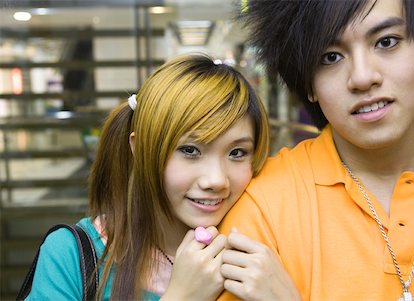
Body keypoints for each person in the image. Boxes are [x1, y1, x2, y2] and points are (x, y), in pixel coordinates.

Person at [218, 0, 414, 300]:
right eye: (331, 57)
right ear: (310, 85)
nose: (363, 77)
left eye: (386, 42)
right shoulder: (264, 206)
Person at [25, 54, 271, 300]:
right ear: (140, 146)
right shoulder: (69, 255)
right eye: (190, 150)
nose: (216, 180)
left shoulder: (259, 259)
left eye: (237, 152)